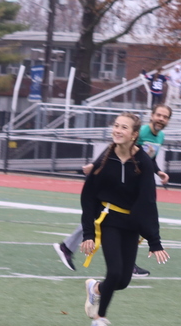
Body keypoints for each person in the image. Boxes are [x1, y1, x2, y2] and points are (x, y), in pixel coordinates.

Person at [52, 104, 172, 275]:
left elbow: (147, 158)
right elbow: (115, 148)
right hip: (120, 177)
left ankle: (126, 262)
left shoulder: (160, 136)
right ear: (151, 116)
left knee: (133, 212)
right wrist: (95, 165)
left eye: (165, 116)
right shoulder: (141, 132)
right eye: (159, 115)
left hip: (133, 178)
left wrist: (158, 171)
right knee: (105, 212)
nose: (161, 118)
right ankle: (69, 247)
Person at [79, 112, 169, 326]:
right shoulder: (105, 159)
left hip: (131, 225)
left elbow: (148, 202)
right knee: (115, 271)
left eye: (124, 127)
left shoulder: (144, 162)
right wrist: (88, 233)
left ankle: (95, 289)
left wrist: (154, 241)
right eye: (116, 126)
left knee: (122, 281)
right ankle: (99, 320)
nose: (117, 130)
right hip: (108, 221)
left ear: (134, 135)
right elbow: (88, 197)